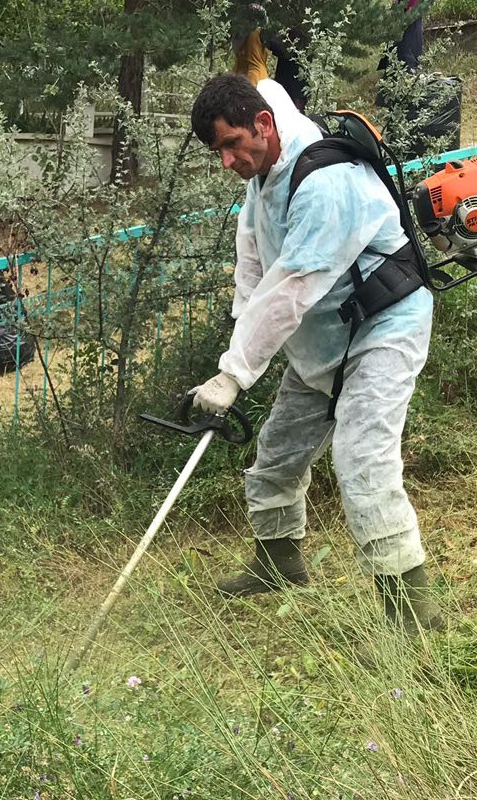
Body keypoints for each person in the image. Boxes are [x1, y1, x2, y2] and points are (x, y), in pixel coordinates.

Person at [187, 73, 442, 634]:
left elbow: (295, 284)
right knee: (276, 453)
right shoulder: (262, 175)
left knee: (362, 461)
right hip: (321, 336)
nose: (227, 160)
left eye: (232, 144)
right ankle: (279, 566)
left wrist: (237, 373)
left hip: (382, 325)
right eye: (217, 151)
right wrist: (236, 359)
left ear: (263, 124)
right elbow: (254, 271)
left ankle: (413, 616)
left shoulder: (326, 183)